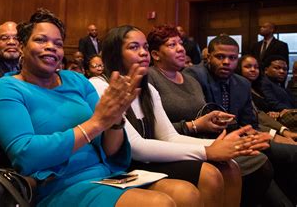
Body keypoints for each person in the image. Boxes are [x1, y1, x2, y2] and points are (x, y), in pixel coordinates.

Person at [0, 9, 201, 207]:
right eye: (41, 40)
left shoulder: (76, 81)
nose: (51, 47)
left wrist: (115, 120)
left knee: (186, 193)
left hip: (107, 175)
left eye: (58, 43)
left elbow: (110, 150)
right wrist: (96, 123)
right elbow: (26, 154)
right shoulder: (7, 89)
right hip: (58, 186)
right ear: (22, 46)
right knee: (158, 204)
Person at [90, 25, 272, 207]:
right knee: (208, 174)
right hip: (121, 165)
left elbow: (169, 137)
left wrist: (232, 145)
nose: (143, 53)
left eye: (145, 47)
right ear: (115, 53)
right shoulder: (100, 86)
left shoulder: (149, 90)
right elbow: (135, 147)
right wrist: (207, 151)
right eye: (134, 47)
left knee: (229, 167)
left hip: (148, 160)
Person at [184, 35, 297, 205]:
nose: (226, 62)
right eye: (220, 57)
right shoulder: (194, 75)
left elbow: (250, 122)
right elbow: (198, 116)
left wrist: (254, 135)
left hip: (242, 137)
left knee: (291, 153)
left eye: (232, 58)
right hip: (211, 142)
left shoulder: (242, 83)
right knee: (262, 164)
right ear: (208, 57)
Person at [237, 55, 297, 141]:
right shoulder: (238, 89)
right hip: (256, 129)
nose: (253, 70)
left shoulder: (257, 86)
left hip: (271, 123)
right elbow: (255, 115)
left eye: (256, 67)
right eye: (248, 67)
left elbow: (261, 111)